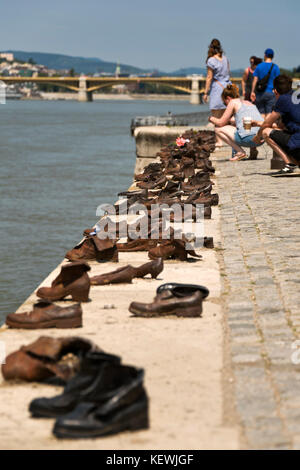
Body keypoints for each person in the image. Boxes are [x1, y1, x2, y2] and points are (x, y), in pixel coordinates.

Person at [252, 74, 300, 176]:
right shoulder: (295, 96)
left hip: (298, 143)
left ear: (275, 91)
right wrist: (257, 123)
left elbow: (267, 124)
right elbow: (280, 127)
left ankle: (290, 165)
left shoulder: (283, 99)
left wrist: (258, 135)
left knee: (265, 133)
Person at [209, 83, 263, 161]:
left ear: (228, 98)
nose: (225, 105)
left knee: (218, 129)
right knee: (245, 126)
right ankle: (253, 151)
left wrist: (211, 118)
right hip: (261, 139)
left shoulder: (233, 102)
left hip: (249, 139)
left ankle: (240, 152)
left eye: (225, 103)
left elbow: (221, 122)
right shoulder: (248, 102)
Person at [203, 39, 231, 147]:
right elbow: (228, 73)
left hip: (217, 88)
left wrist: (206, 92)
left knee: (216, 116)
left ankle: (219, 141)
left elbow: (209, 77)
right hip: (227, 87)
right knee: (226, 116)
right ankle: (228, 139)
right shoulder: (225, 59)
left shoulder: (211, 60)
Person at [251, 48, 280, 117]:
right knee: (269, 113)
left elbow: (255, 79)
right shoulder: (275, 67)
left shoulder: (259, 66)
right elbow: (278, 81)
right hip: (271, 93)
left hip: (260, 93)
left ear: (265, 55)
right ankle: (268, 127)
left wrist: (252, 91)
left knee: (261, 114)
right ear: (272, 56)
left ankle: (261, 127)